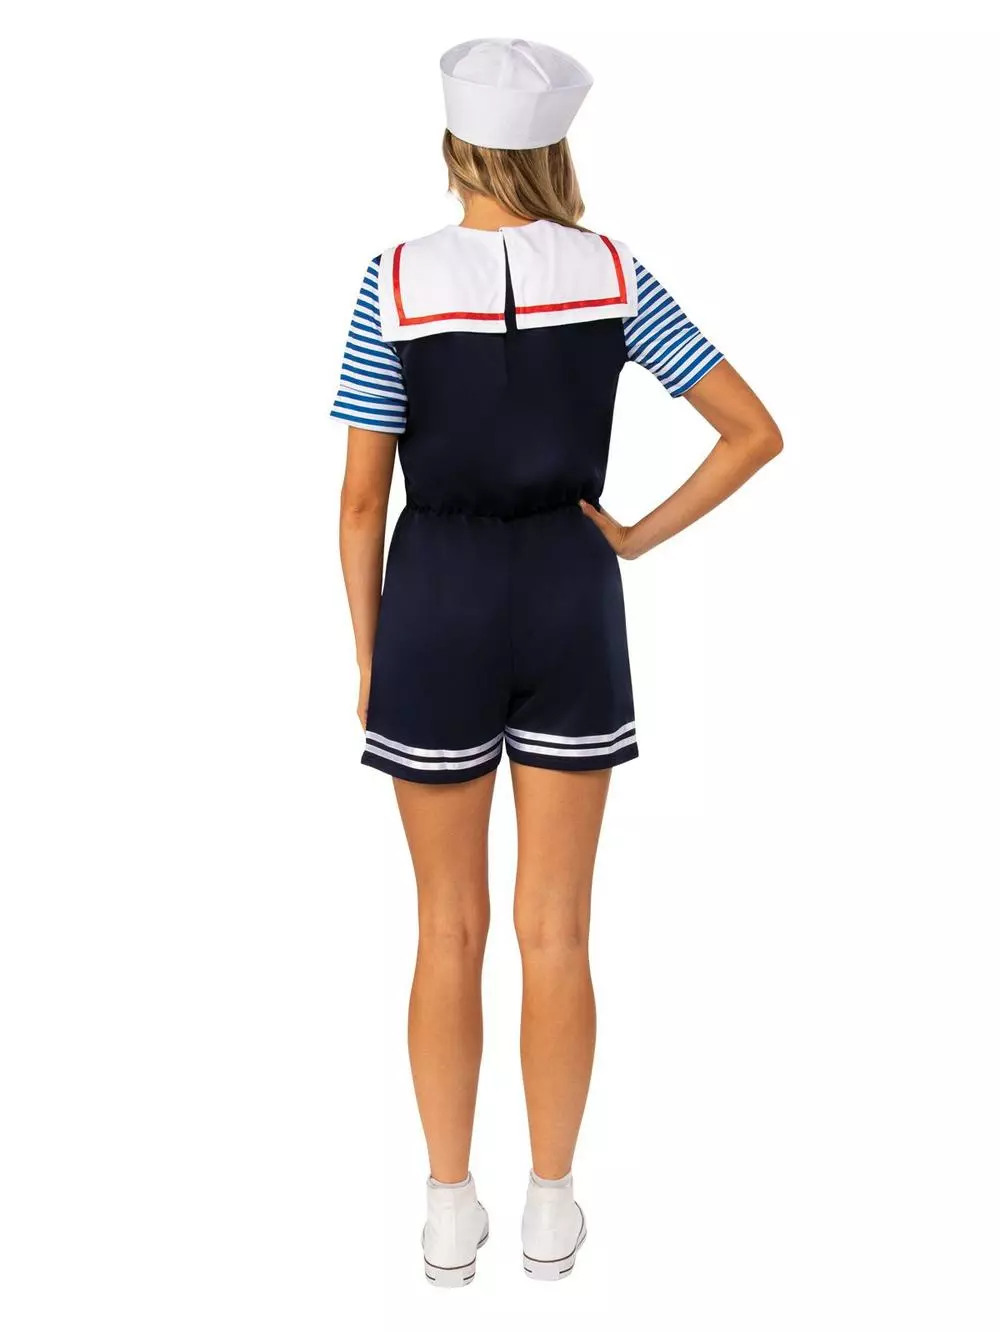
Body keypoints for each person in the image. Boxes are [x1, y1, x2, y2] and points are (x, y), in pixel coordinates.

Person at [330, 36, 782, 1286]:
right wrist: (628, 535)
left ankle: (446, 1212)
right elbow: (752, 432)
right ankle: (548, 1208)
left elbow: (361, 502)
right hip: (574, 597)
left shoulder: (393, 280)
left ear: (454, 142)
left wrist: (370, 654)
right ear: (553, 147)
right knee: (557, 928)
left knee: (445, 925)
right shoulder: (615, 272)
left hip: (436, 599)